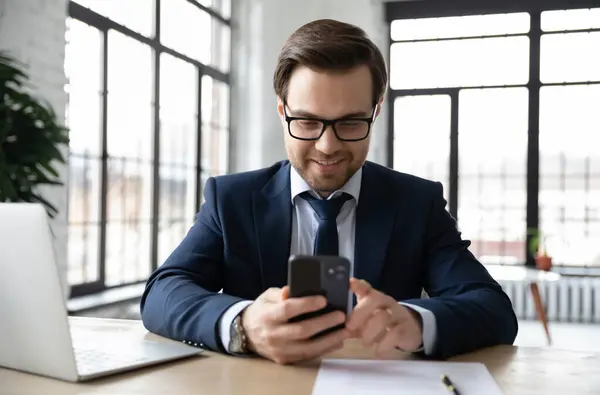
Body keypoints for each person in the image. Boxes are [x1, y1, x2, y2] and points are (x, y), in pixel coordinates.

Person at [140, 18, 518, 365]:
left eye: (351, 123)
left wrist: (417, 322)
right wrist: (243, 324)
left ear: (376, 111)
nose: (327, 146)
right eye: (306, 121)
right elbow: (163, 292)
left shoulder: (417, 204)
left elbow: (492, 308)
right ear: (281, 110)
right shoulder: (232, 199)